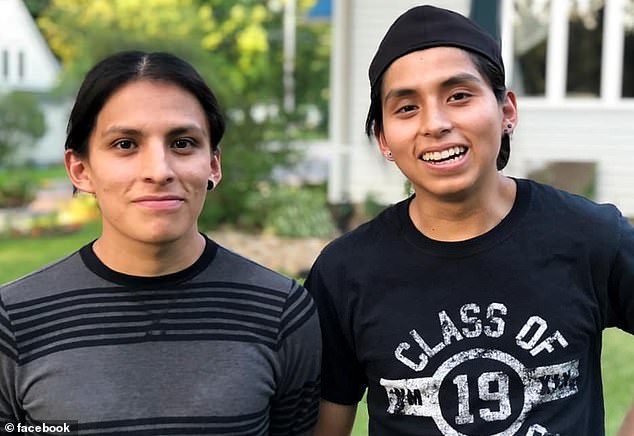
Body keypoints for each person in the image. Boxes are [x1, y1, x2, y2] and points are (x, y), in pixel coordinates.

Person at [304, 5, 634, 436]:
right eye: (406, 107)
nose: (435, 124)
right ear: (384, 139)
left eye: (459, 95)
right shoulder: (344, 272)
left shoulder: (590, 237)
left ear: (507, 111)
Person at [0, 51, 321, 435]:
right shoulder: (13, 322)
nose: (159, 171)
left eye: (183, 143)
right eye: (125, 144)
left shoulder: (281, 313)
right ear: (80, 170)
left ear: (213, 165)